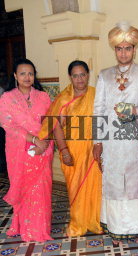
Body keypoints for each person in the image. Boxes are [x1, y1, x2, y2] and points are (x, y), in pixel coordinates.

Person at [92, 21, 138, 245]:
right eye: (119, 48)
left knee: (136, 182)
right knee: (113, 182)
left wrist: (135, 110)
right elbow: (98, 109)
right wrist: (97, 141)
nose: (123, 52)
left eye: (127, 48)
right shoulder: (104, 75)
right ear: (115, 50)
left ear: (134, 49)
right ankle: (115, 229)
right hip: (112, 141)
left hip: (137, 141)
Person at [39, 60, 102, 237]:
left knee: (95, 187)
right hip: (72, 150)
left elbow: (101, 121)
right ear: (70, 77)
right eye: (76, 75)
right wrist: (64, 150)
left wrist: (102, 145)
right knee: (76, 187)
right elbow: (56, 125)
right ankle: (79, 223)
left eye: (83, 74)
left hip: (93, 150)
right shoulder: (64, 98)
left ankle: (95, 221)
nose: (80, 78)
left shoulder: (96, 94)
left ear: (88, 75)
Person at [0, 59, 53, 242]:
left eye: (30, 73)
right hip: (18, 152)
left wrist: (44, 142)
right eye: (22, 73)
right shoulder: (7, 98)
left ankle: (40, 228)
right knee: (23, 187)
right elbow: (8, 124)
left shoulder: (43, 97)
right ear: (15, 76)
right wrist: (33, 140)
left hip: (42, 150)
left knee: (41, 188)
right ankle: (23, 226)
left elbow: (50, 123)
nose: (27, 77)